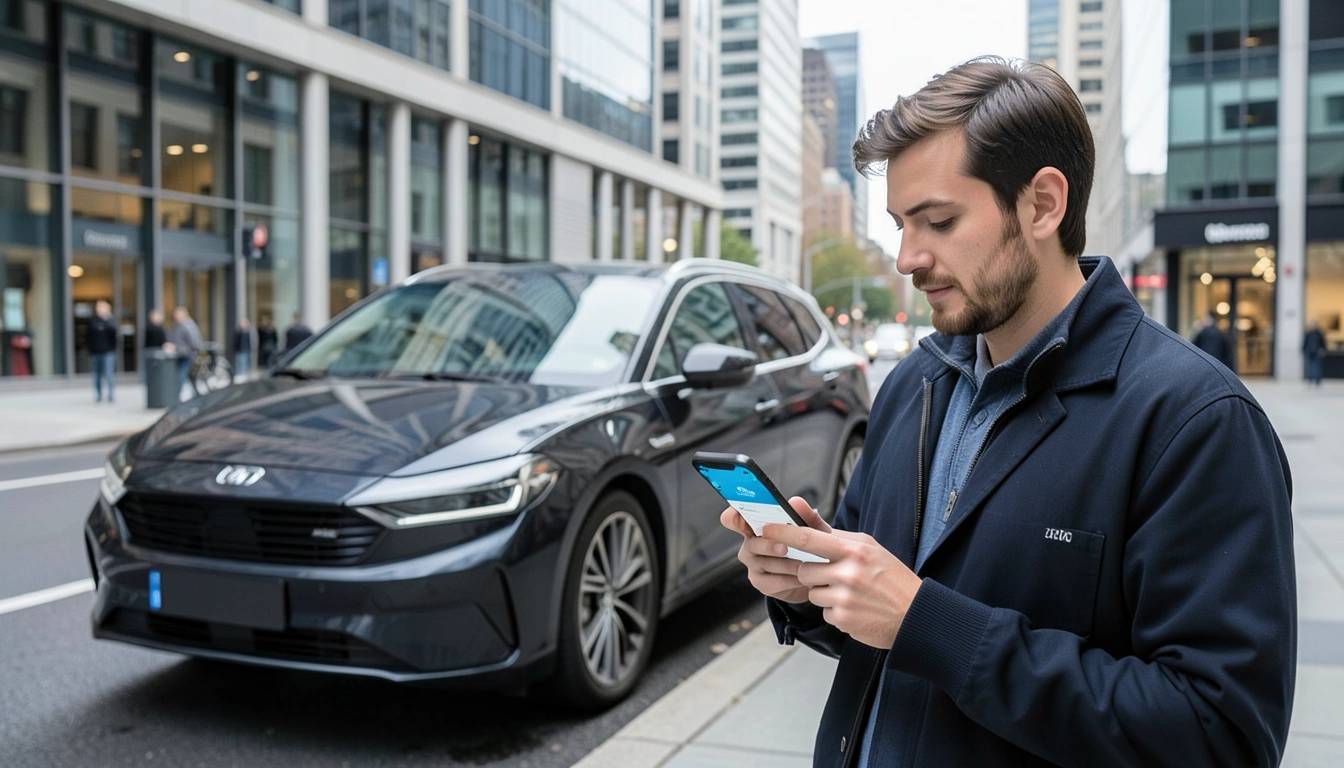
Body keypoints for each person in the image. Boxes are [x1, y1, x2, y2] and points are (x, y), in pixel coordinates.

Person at [721, 57, 1295, 768]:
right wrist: (812, 586)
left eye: (937, 221)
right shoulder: (916, 383)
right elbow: (878, 623)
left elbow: (1220, 736)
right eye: (901, 224)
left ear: (1043, 205)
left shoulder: (1195, 421)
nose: (905, 258)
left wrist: (928, 623)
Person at [167, 306, 202, 401]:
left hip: (186, 354)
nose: (176, 316)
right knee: (186, 376)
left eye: (178, 314)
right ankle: (193, 394)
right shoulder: (177, 325)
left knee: (182, 375)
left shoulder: (188, 325)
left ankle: (178, 396)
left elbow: (194, 342)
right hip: (179, 354)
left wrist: (177, 347)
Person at [86, 300, 118, 403]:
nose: (99, 309)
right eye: (98, 308)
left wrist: (108, 320)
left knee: (109, 374)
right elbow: (88, 337)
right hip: (95, 353)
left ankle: (110, 395)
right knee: (97, 376)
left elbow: (114, 336)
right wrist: (90, 349)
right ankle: (99, 395)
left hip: (108, 352)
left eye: (101, 307)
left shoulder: (111, 322)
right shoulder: (93, 321)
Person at [1304, 319, 1326, 386]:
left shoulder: (1319, 333)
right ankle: (1310, 380)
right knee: (1310, 366)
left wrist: (1323, 350)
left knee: (1317, 366)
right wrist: (1303, 350)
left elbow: (1323, 343)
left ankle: (1317, 380)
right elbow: (1305, 342)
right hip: (1309, 351)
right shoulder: (1308, 334)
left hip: (1317, 351)